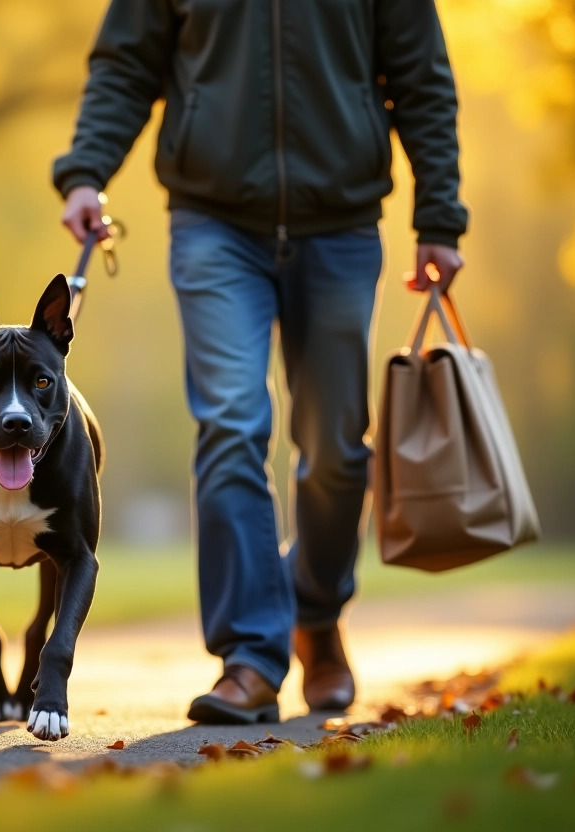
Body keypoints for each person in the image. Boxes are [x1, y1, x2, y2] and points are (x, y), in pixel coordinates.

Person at [54, 0, 466, 723]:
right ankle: (250, 657)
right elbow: (126, 62)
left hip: (340, 224)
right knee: (232, 422)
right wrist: (87, 169)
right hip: (213, 222)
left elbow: (422, 78)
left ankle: (315, 610)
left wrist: (439, 216)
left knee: (337, 449)